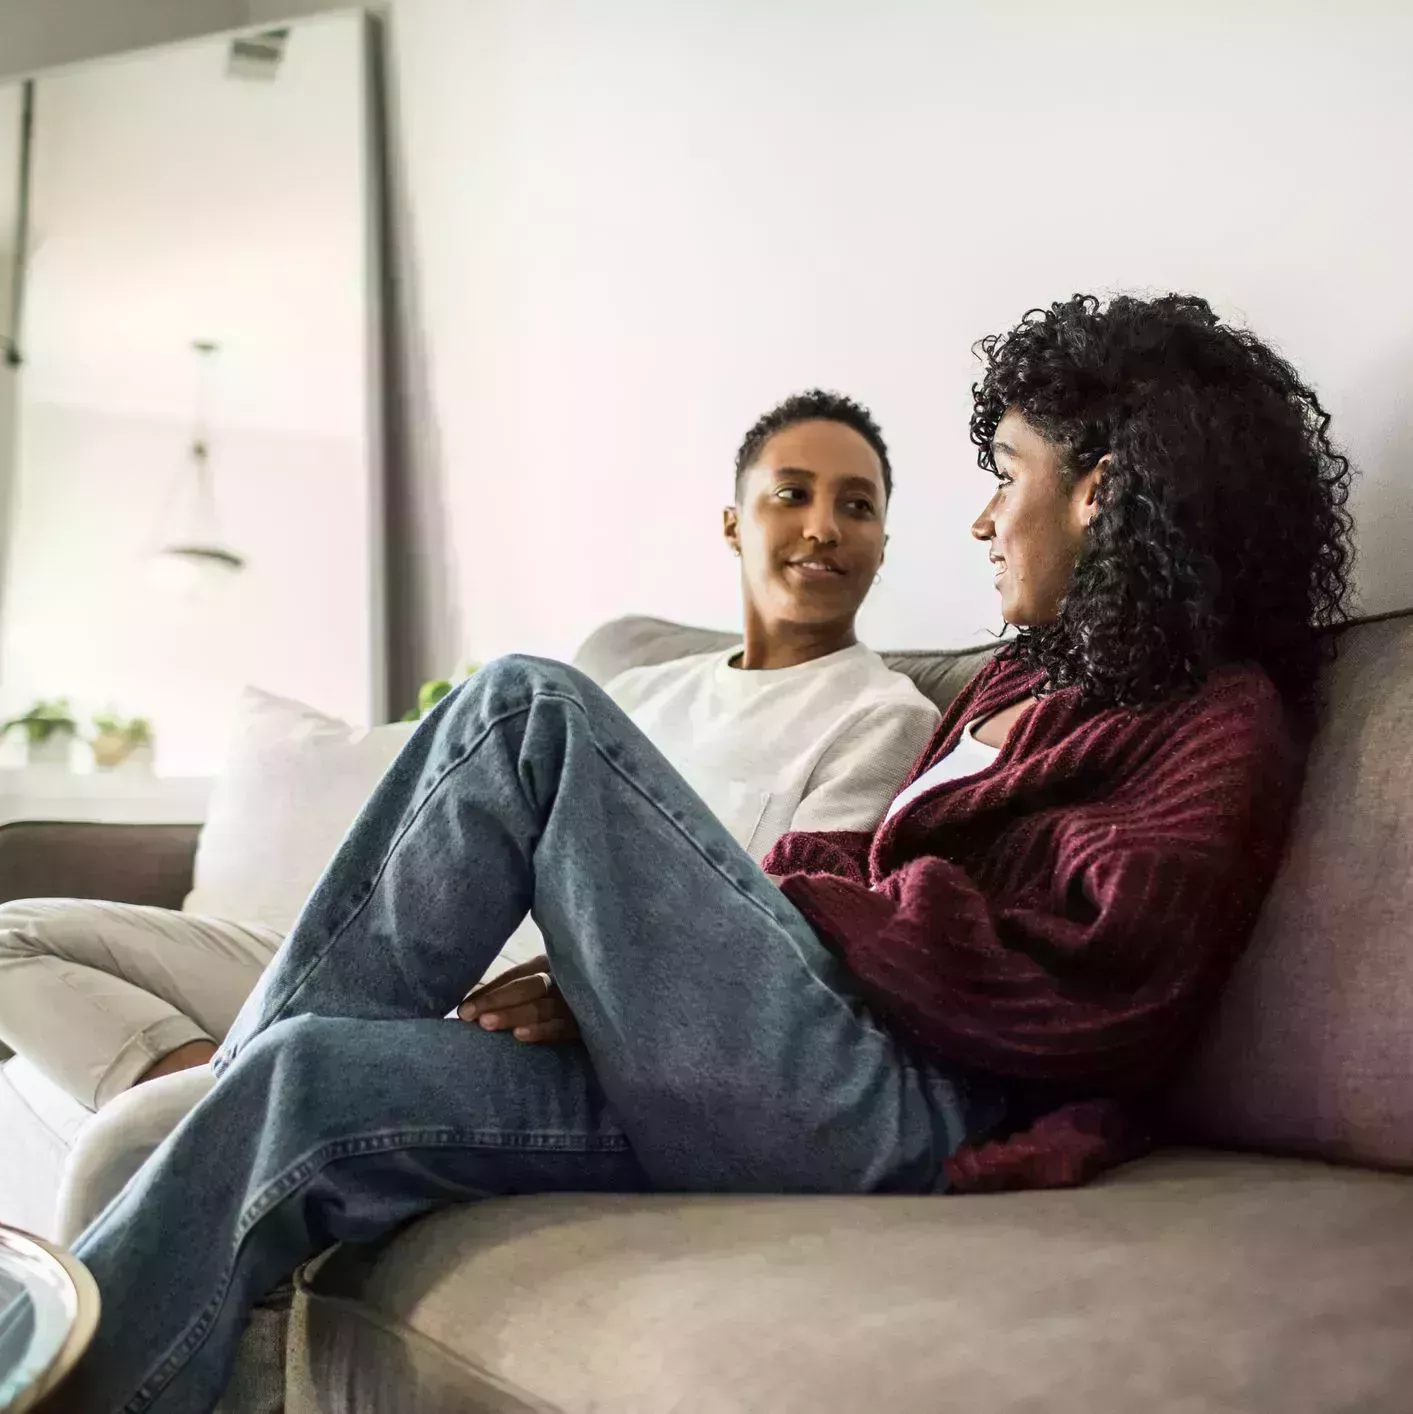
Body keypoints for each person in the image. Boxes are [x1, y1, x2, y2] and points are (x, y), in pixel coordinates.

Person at [61, 293, 1354, 1413]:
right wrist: (634, 976)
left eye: (1004, 475)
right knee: (306, 1078)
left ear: (1100, 488)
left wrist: (763, 917)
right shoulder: (1024, 678)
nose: (982, 523)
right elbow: (864, 903)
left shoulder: (1212, 723)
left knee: (522, 708)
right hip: (797, 1068)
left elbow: (1079, 985)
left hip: (903, 1110)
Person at [0, 390, 938, 1236]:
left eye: (856, 506)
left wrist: (601, 980)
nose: (824, 526)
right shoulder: (644, 687)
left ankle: (219, 1112)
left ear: (883, 546)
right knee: (15, 935)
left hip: (540, 1027)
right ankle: (216, 1091)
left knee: (520, 698)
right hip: (425, 950)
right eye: (794, 494)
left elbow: (784, 952)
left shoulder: (882, 716)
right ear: (734, 523)